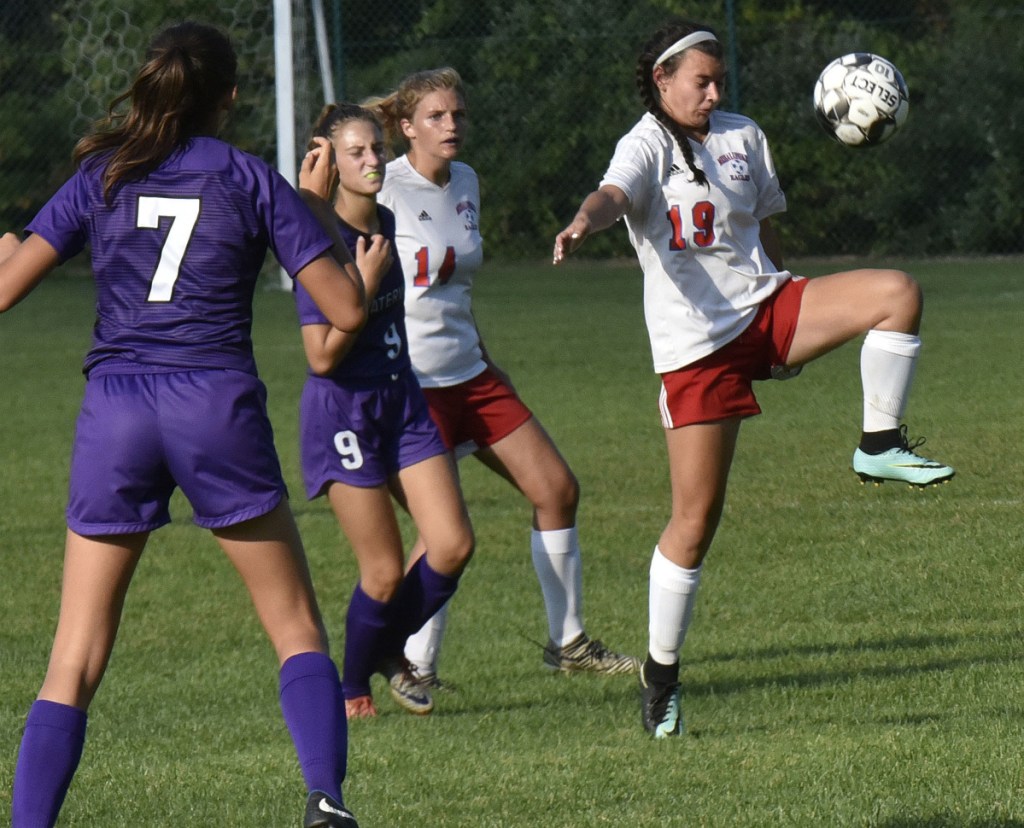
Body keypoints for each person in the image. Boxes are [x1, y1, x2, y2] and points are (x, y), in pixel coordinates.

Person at [0, 23, 365, 827]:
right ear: (230, 98)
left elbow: (5, 287)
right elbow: (346, 305)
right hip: (213, 406)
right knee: (295, 624)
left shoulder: (105, 174)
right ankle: (326, 802)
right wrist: (313, 211)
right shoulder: (249, 178)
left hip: (118, 410)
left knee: (75, 655)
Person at [553, 19, 955, 738]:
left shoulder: (743, 135)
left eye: (718, 82)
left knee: (897, 291)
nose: (713, 93)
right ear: (662, 80)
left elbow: (765, 230)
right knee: (695, 522)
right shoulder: (643, 144)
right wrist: (586, 221)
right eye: (700, 81)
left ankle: (880, 442)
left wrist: (790, 306)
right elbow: (612, 195)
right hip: (697, 352)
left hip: (767, 311)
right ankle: (661, 677)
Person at [366, 67, 639, 687]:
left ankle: (568, 644)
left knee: (556, 489)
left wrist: (487, 355)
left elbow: (453, 292)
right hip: (410, 385)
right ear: (406, 127)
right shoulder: (384, 191)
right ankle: (411, 664)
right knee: (442, 534)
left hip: (472, 374)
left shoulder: (466, 181)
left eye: (457, 114)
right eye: (435, 116)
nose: (451, 125)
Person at [296, 103, 474, 719]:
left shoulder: (390, 219)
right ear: (330, 165)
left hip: (403, 399)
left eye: (375, 148)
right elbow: (321, 356)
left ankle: (383, 646)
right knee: (381, 571)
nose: (372, 161)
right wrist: (364, 288)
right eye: (356, 153)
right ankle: (351, 689)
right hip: (345, 412)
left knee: (451, 544)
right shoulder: (316, 243)